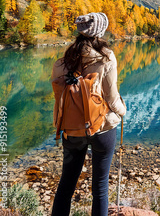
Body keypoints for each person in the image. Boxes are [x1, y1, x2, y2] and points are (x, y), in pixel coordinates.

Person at [51, 12, 126, 216]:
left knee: (66, 186)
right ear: (100, 32)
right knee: (100, 188)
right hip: (101, 128)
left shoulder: (61, 63)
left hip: (72, 129)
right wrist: (122, 111)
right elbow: (111, 98)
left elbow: (60, 98)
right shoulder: (106, 58)